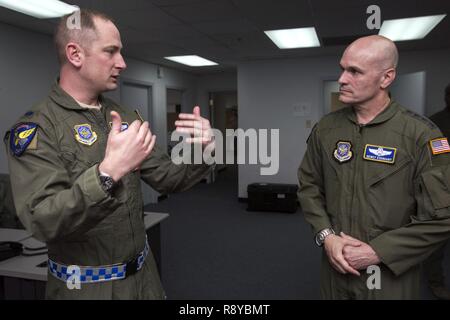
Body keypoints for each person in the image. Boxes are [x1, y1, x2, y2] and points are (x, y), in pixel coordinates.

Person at [3, 9, 214, 299]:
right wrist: (106, 174)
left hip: (144, 280)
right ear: (75, 54)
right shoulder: (38, 129)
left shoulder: (123, 114)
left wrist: (203, 151)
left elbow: (168, 178)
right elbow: (43, 221)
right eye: (111, 51)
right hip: (86, 289)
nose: (122, 63)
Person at [298, 35, 450, 299]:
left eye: (354, 71)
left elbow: (442, 217)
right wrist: (327, 237)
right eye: (342, 69)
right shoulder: (326, 129)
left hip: (390, 274)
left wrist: (379, 251)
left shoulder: (423, 135)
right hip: (335, 268)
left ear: (386, 78)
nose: (342, 79)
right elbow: (309, 186)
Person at [424, 84, 450, 300]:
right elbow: (435, 162)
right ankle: (435, 281)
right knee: (438, 242)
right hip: (442, 190)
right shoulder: (436, 124)